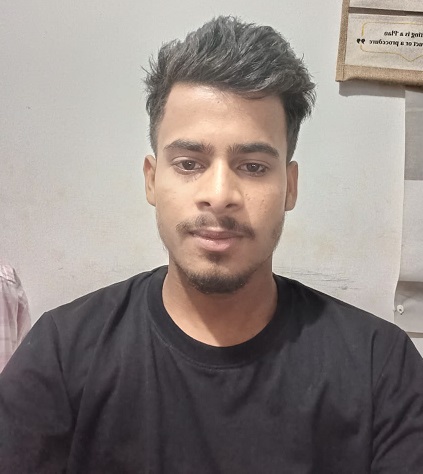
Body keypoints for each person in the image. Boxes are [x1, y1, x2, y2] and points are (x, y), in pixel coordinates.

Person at [0, 15, 422, 474]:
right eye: (189, 163)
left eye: (253, 166)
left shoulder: (382, 367)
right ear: (151, 180)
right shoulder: (61, 355)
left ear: (291, 187)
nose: (219, 194)